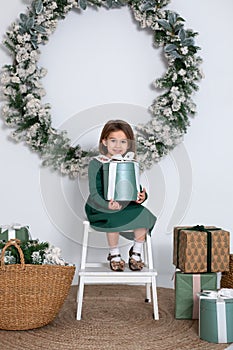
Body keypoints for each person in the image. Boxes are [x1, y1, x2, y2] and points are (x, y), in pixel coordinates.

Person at [85, 119, 157, 272]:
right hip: (100, 206)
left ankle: (136, 252)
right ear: (104, 142)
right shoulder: (97, 163)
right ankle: (114, 254)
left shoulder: (129, 163)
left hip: (125, 204)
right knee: (113, 216)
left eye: (123, 141)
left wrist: (142, 196)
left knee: (143, 215)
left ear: (128, 144)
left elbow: (135, 186)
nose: (118, 146)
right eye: (113, 141)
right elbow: (94, 192)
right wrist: (106, 204)